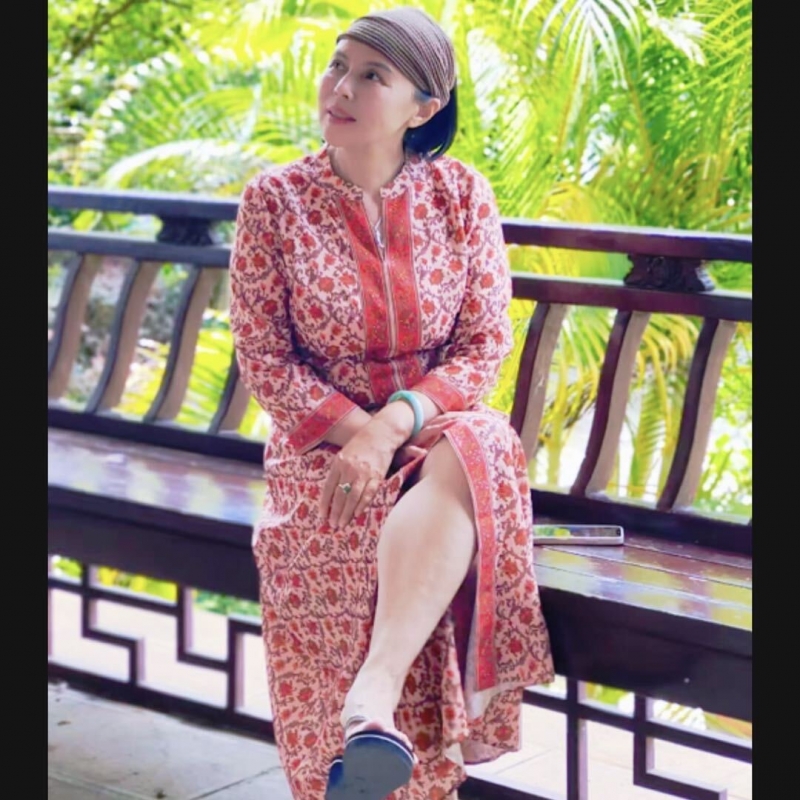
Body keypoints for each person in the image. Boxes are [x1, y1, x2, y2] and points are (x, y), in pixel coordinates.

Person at [229, 6, 554, 799]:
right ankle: (359, 737)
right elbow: (265, 357)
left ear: (424, 106)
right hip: (323, 452)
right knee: (398, 510)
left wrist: (393, 429)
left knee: (479, 445)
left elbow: (484, 344)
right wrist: (361, 438)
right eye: (337, 66)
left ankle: (374, 698)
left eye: (371, 75)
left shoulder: (460, 194)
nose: (340, 88)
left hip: (436, 438)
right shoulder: (275, 200)